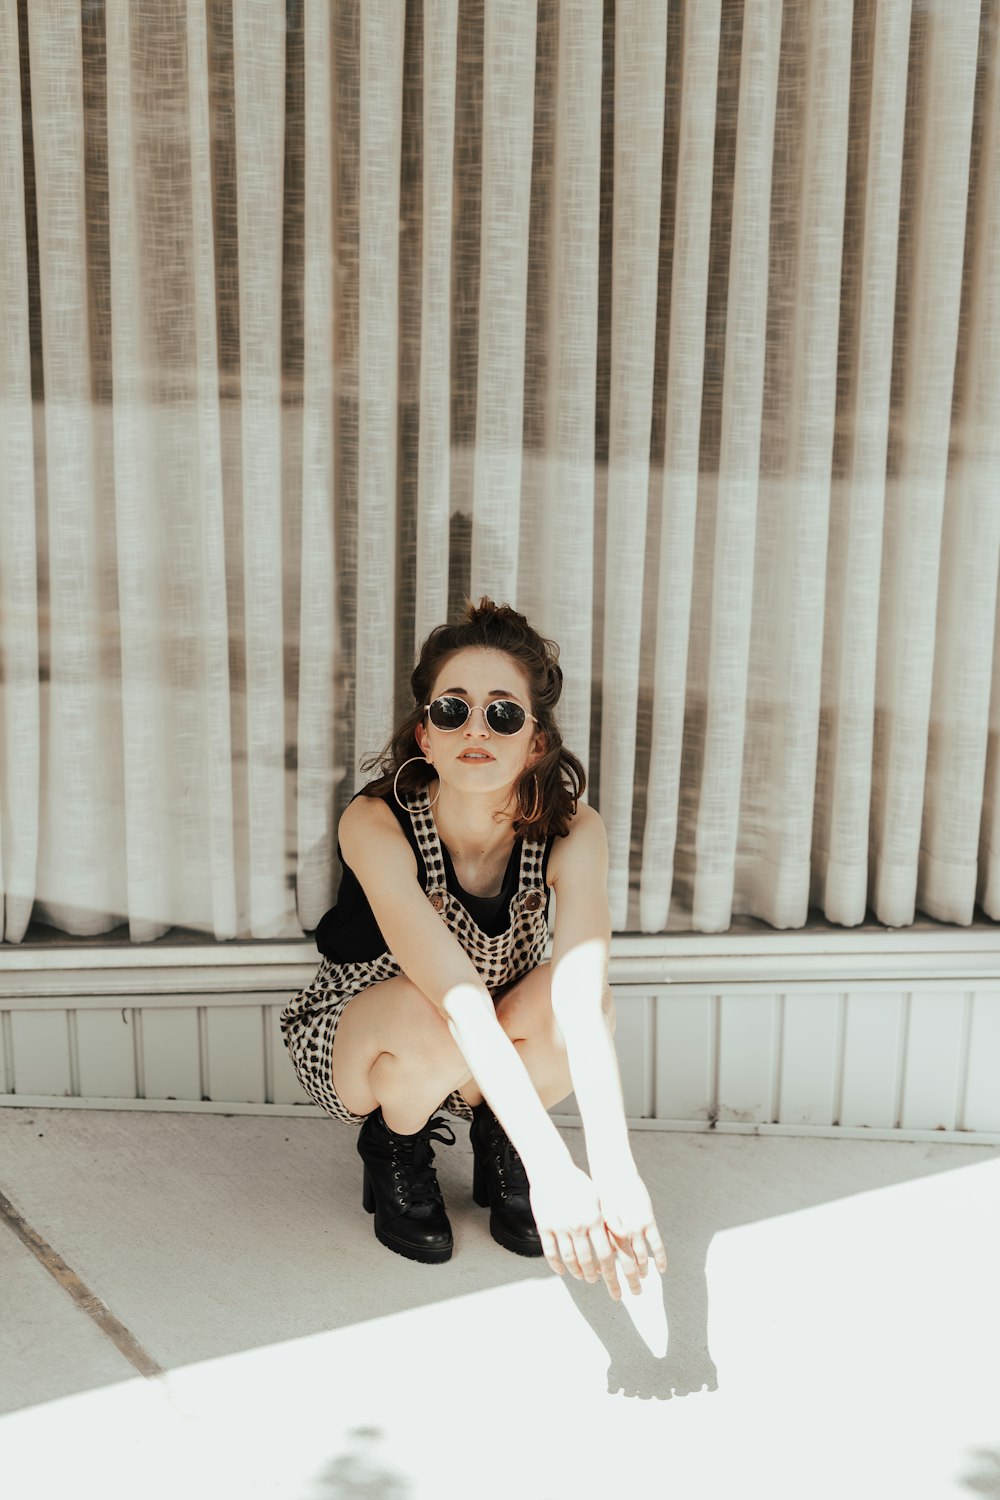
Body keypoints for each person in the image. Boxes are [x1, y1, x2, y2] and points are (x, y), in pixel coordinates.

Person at [281, 599, 666, 1300]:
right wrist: (555, 1170)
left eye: (504, 713)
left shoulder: (574, 831)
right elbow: (457, 1001)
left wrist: (613, 1171)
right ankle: (396, 1141)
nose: (477, 729)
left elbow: (581, 1000)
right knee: (435, 1014)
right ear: (425, 737)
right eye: (452, 711)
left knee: (577, 997)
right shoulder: (375, 821)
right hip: (372, 1038)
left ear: (537, 742)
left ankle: (502, 1137)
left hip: (484, 1034)